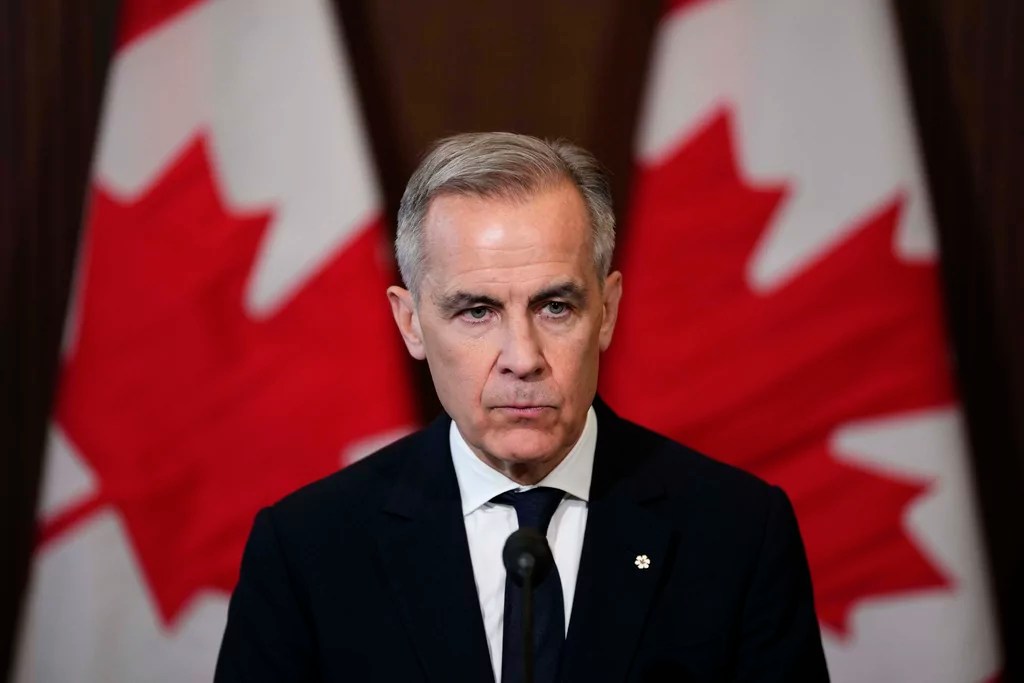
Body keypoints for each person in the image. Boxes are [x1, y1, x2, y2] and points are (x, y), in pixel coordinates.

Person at [215, 132, 829, 682]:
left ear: (607, 309)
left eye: (555, 307)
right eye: (477, 311)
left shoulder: (736, 532)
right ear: (411, 324)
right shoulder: (308, 549)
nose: (523, 357)